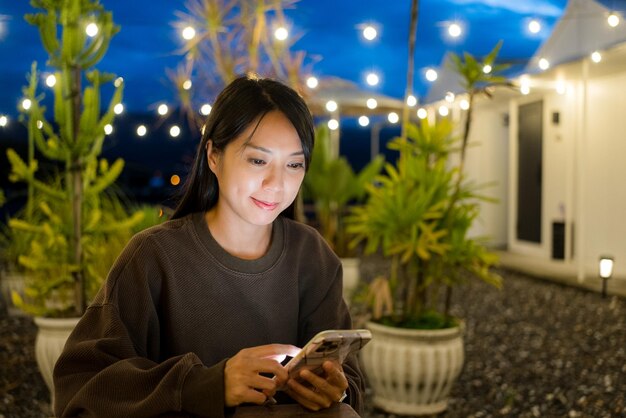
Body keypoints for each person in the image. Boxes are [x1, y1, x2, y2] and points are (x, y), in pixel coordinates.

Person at [53, 74, 365, 417]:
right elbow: (81, 385)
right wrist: (207, 384)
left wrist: (337, 390)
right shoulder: (154, 258)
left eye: (293, 164)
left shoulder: (312, 256)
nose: (276, 184)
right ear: (214, 155)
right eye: (258, 160)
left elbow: (350, 379)